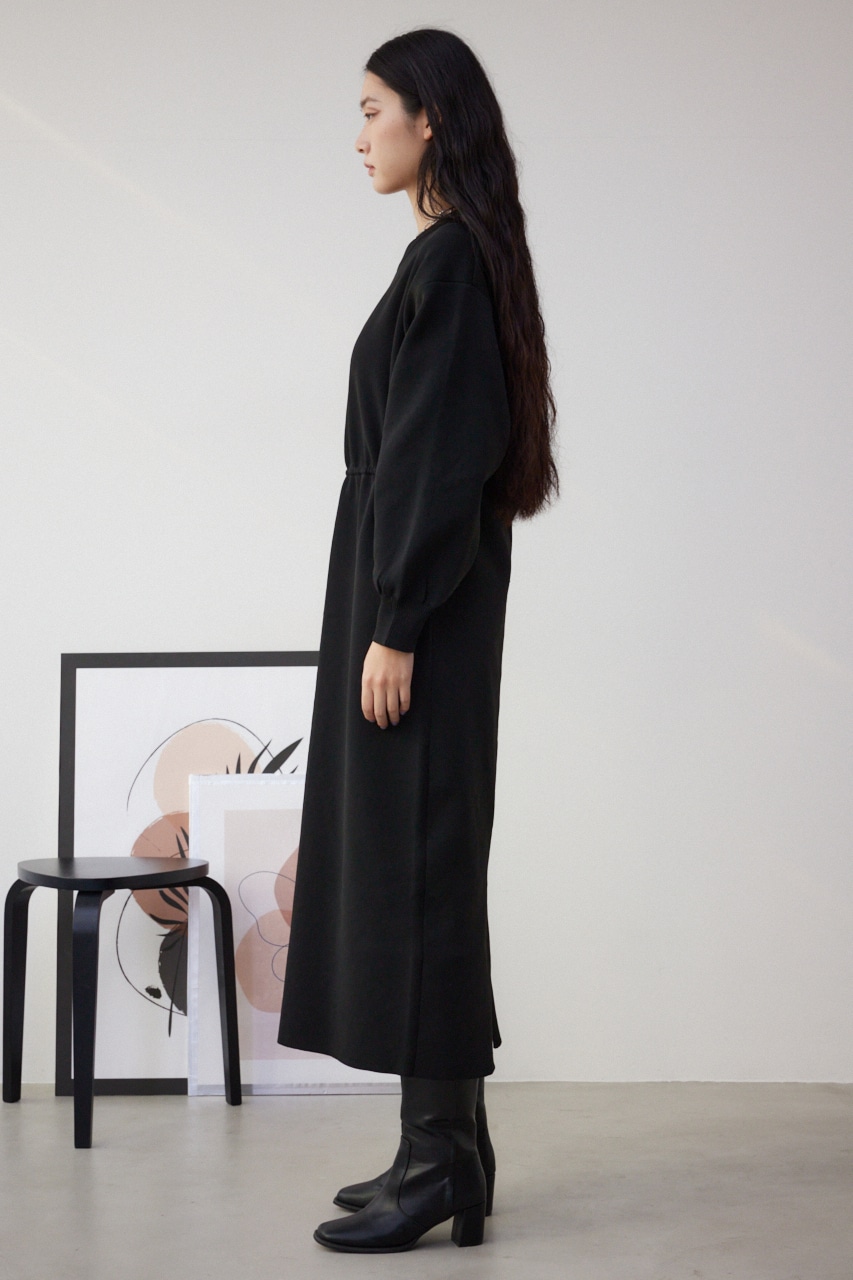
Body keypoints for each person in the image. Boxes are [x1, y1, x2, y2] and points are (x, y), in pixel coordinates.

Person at [277, 27, 559, 1253]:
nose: (358, 135)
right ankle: (441, 1143)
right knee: (414, 866)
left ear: (428, 117)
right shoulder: (450, 259)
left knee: (423, 875)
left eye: (371, 108)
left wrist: (394, 626)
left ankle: (440, 1158)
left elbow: (439, 461)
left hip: (420, 619)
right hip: (412, 604)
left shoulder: (447, 264)